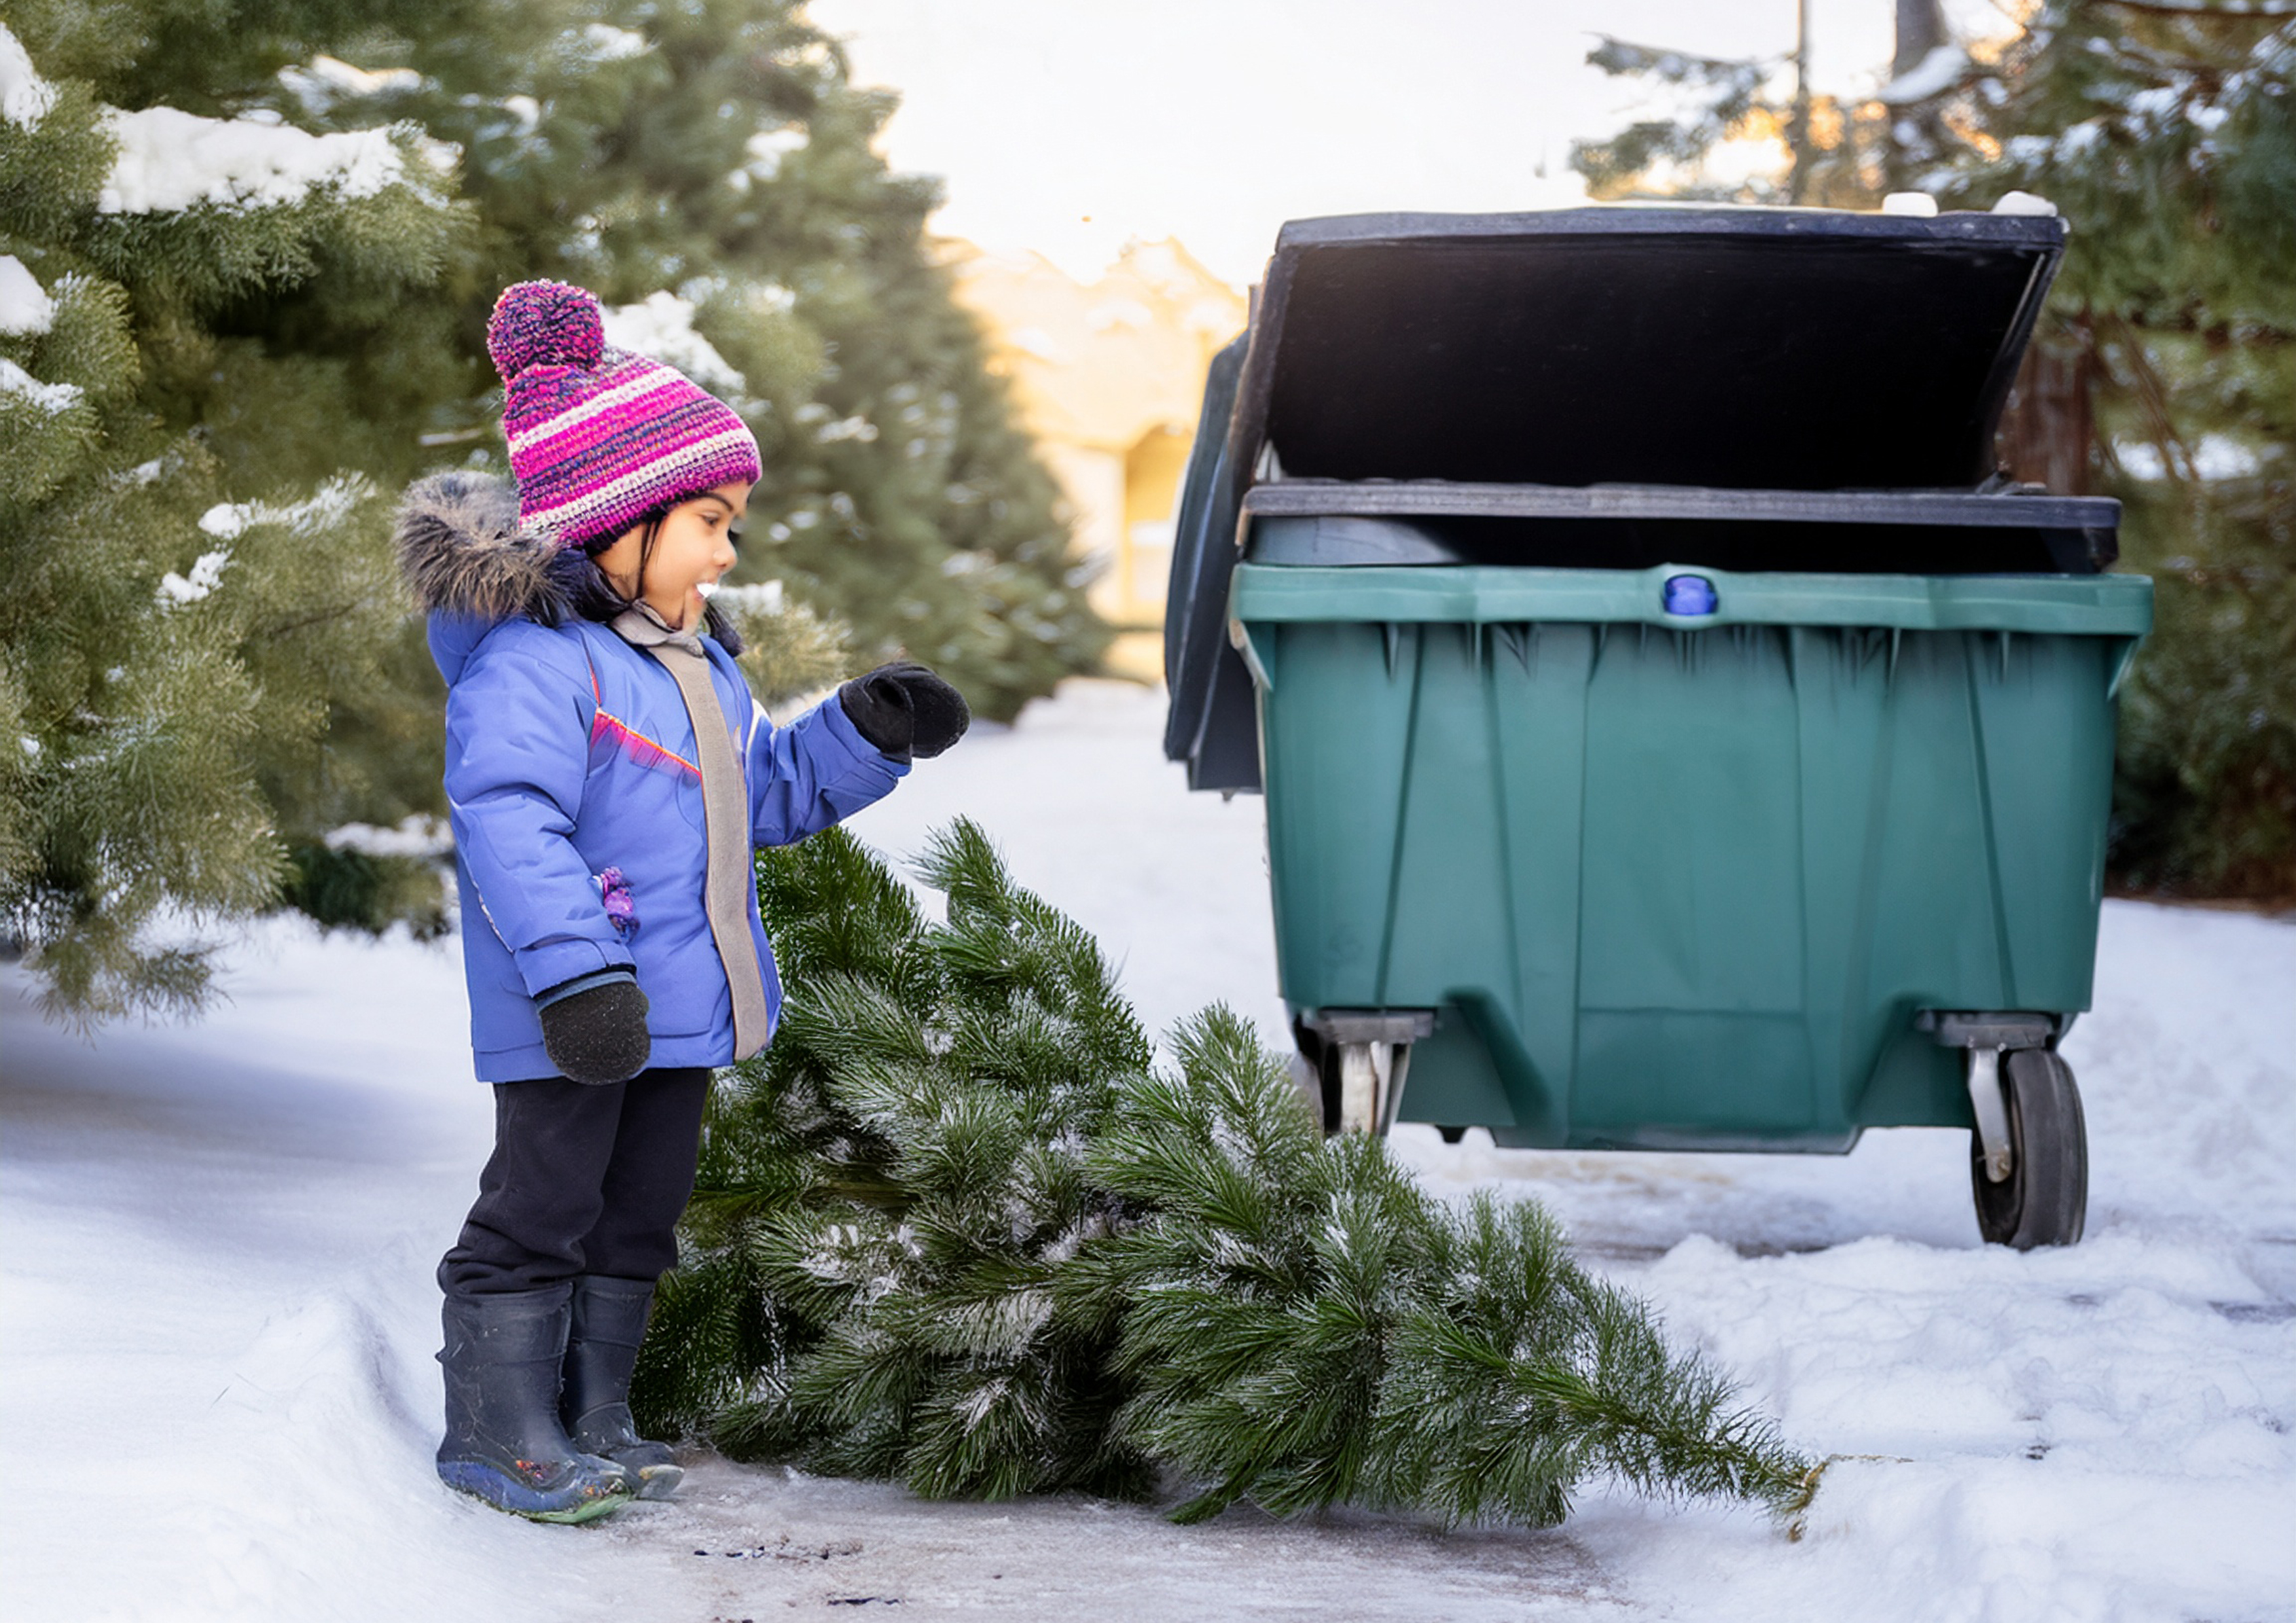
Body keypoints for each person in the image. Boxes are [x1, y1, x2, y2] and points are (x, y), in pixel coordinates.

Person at [394, 279, 968, 1523]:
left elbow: (754, 797)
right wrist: (578, 975)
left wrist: (863, 735)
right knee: (542, 1207)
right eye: (709, 521)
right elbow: (508, 821)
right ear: (620, 518)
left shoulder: (693, 664)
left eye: (731, 527)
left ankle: (594, 1412)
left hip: (673, 1012)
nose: (725, 553)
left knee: (637, 1216)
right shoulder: (534, 665)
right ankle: (498, 1429)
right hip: (577, 1005)